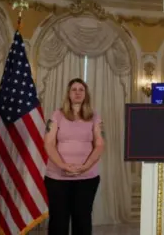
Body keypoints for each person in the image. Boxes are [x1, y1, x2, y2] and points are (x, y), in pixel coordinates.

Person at [43, 78, 104, 235]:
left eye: (81, 90)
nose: (77, 92)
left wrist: (86, 166)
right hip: (57, 177)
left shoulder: (95, 117)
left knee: (82, 220)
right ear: (68, 94)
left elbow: (99, 144)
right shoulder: (57, 115)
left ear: (86, 94)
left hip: (87, 177)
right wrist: (63, 166)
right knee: (58, 220)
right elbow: (49, 143)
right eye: (74, 90)